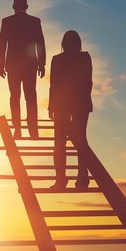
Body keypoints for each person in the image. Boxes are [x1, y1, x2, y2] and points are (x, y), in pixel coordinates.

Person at [48, 30, 94, 189]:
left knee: (60, 142)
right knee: (80, 139)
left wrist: (51, 106)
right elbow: (88, 82)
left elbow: (54, 85)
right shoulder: (85, 57)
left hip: (63, 104)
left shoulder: (58, 59)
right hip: (79, 104)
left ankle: (61, 179)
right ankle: (82, 178)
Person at [0, 0, 46, 138]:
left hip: (12, 64)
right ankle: (33, 130)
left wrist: (0, 64)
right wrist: (41, 64)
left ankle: (17, 128)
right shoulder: (35, 22)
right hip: (30, 65)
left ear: (13, 7)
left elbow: (2, 44)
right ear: (27, 7)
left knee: (15, 96)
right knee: (31, 96)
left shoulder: (7, 22)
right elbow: (40, 43)